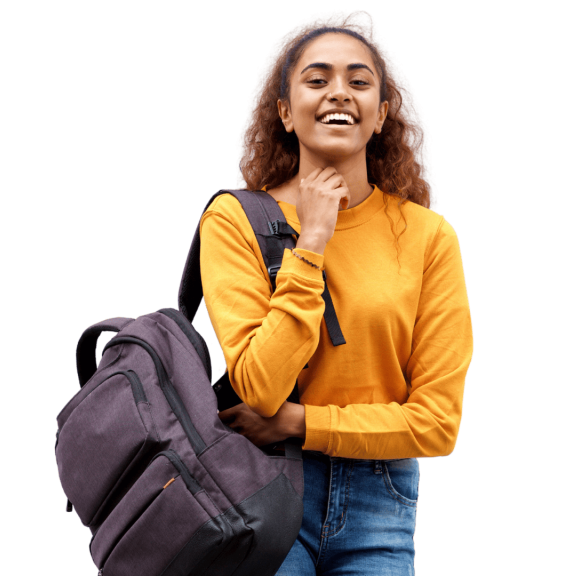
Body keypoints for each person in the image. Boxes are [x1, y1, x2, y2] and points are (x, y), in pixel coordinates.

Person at [200, 27, 473, 575]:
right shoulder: (235, 222)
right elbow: (260, 385)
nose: (339, 92)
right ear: (285, 111)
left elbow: (438, 424)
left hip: (383, 498)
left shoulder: (428, 236)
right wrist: (312, 241)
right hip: (265, 485)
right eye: (317, 79)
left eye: (359, 81)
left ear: (379, 114)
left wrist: (302, 421)